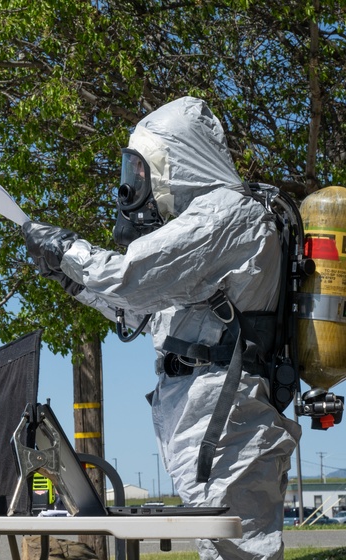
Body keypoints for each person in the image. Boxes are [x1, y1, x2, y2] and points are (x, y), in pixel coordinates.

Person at [21, 96, 301, 560]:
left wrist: (66, 250)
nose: (140, 184)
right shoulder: (206, 222)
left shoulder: (226, 214)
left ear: (178, 161)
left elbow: (129, 278)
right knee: (220, 545)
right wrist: (71, 282)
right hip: (205, 409)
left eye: (147, 168)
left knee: (238, 550)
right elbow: (140, 312)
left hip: (228, 414)